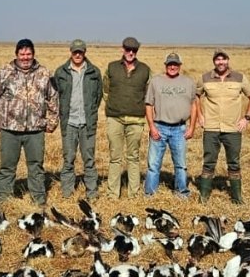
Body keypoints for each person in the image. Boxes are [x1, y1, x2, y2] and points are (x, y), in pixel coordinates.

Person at [0, 38, 59, 206]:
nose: (25, 57)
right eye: (22, 54)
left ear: (33, 54)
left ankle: (39, 202)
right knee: (7, 167)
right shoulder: (5, 72)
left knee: (36, 167)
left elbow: (53, 99)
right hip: (9, 130)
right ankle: (4, 203)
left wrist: (52, 122)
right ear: (16, 54)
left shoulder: (44, 73)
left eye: (28, 54)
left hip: (35, 130)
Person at [195, 49, 250, 204]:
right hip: (211, 128)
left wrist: (246, 118)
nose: (220, 62)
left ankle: (237, 198)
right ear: (214, 62)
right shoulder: (204, 78)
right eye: (217, 60)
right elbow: (196, 96)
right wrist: (200, 116)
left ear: (228, 60)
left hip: (233, 128)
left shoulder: (240, 78)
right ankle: (203, 196)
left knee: (234, 162)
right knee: (209, 161)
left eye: (223, 59)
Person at [51, 39, 103, 199]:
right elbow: (56, 95)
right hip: (69, 123)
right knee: (68, 159)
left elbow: (98, 96)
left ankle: (92, 193)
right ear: (71, 52)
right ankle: (67, 193)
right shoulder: (61, 72)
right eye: (75, 52)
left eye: (80, 52)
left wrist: (91, 112)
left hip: (87, 123)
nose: (78, 54)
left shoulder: (94, 72)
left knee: (89, 159)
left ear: (84, 52)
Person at [143, 52, 198, 198]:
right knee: (154, 164)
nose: (172, 67)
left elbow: (194, 105)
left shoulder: (189, 82)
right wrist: (152, 127)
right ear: (165, 65)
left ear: (180, 66)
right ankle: (150, 193)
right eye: (169, 64)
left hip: (179, 129)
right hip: (159, 127)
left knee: (180, 164)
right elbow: (148, 105)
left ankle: (181, 192)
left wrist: (192, 127)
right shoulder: (156, 81)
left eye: (175, 64)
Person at [103, 36, 151, 198]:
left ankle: (134, 194)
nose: (130, 52)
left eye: (134, 50)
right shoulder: (111, 67)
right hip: (114, 118)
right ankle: (112, 194)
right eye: (128, 49)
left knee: (134, 157)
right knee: (115, 157)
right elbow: (105, 91)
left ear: (137, 51)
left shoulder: (145, 70)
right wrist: (113, 106)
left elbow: (149, 95)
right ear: (122, 49)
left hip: (136, 120)